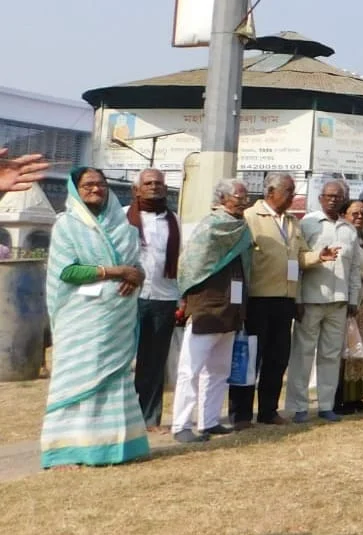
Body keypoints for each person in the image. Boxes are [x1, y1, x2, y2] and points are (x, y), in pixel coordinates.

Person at [40, 167, 149, 468]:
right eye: (88, 185)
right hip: (81, 320)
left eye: (101, 184)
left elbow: (137, 266)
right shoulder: (67, 225)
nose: (96, 189)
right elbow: (67, 271)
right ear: (76, 190)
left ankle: (118, 445)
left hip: (116, 319)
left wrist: (136, 275)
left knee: (116, 380)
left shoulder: (125, 228)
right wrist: (115, 272)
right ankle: (72, 448)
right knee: (78, 381)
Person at [235, 172, 336, 429]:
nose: (293, 196)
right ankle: (242, 414)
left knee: (277, 358)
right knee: (252, 358)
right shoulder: (250, 217)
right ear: (271, 192)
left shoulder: (292, 222)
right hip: (257, 299)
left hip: (285, 300)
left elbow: (300, 257)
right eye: (289, 191)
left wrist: (318, 257)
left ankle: (268, 410)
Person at [171, 179, 253, 443]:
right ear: (222, 199)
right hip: (207, 304)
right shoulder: (210, 225)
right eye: (237, 196)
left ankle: (210, 421)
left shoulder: (242, 226)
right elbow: (191, 265)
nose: (242, 200)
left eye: (245, 196)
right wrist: (185, 298)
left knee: (218, 369)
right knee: (190, 369)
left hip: (232, 305)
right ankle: (181, 425)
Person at [288, 179, 355, 424]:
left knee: (330, 354)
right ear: (320, 198)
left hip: (339, 301)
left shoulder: (349, 229)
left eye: (338, 196)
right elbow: (295, 260)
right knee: (303, 354)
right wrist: (296, 297)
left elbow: (355, 268)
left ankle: (326, 405)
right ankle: (298, 406)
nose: (333, 200)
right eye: (328, 196)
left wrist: (353, 298)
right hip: (310, 298)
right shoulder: (307, 223)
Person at [127, 168, 180, 433]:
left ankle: (149, 419)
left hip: (164, 297)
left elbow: (181, 260)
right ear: (137, 189)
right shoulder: (122, 216)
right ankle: (122, 416)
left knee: (154, 361)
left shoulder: (174, 220)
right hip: (128, 297)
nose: (154, 187)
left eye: (158, 183)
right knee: (123, 359)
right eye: (148, 183)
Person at [328, 197, 363, 412]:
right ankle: (337, 398)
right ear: (344, 215)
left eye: (362, 213)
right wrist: (361, 279)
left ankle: (355, 397)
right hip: (348, 302)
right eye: (355, 213)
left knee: (361, 351)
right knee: (343, 350)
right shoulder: (340, 237)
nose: (359, 217)